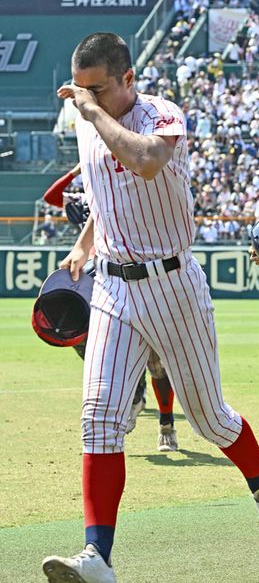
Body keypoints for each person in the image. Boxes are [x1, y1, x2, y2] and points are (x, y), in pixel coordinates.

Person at [44, 32, 259, 583]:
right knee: (100, 421)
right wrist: (84, 242)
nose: (86, 98)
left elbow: (144, 162)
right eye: (81, 88)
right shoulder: (91, 116)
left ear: (129, 80)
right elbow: (108, 193)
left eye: (99, 88)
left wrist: (90, 113)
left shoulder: (161, 115)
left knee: (210, 420)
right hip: (113, 287)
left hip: (173, 284)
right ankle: (98, 557)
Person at [44, 165, 180, 452]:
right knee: (85, 341)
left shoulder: (131, 191)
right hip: (97, 277)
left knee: (156, 361)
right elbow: (51, 196)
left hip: (139, 274)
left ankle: (166, 423)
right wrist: (76, 171)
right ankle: (133, 398)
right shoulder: (85, 198)